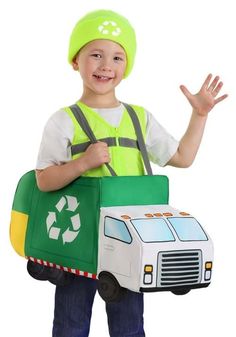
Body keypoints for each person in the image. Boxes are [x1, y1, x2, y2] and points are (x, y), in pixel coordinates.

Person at [34, 9, 227, 337]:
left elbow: (182, 157)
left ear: (127, 66)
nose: (106, 65)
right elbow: (43, 180)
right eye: (95, 54)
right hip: (78, 241)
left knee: (128, 326)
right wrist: (82, 164)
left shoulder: (140, 118)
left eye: (117, 57)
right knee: (70, 323)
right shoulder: (63, 120)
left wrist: (199, 116)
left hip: (128, 244)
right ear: (75, 61)